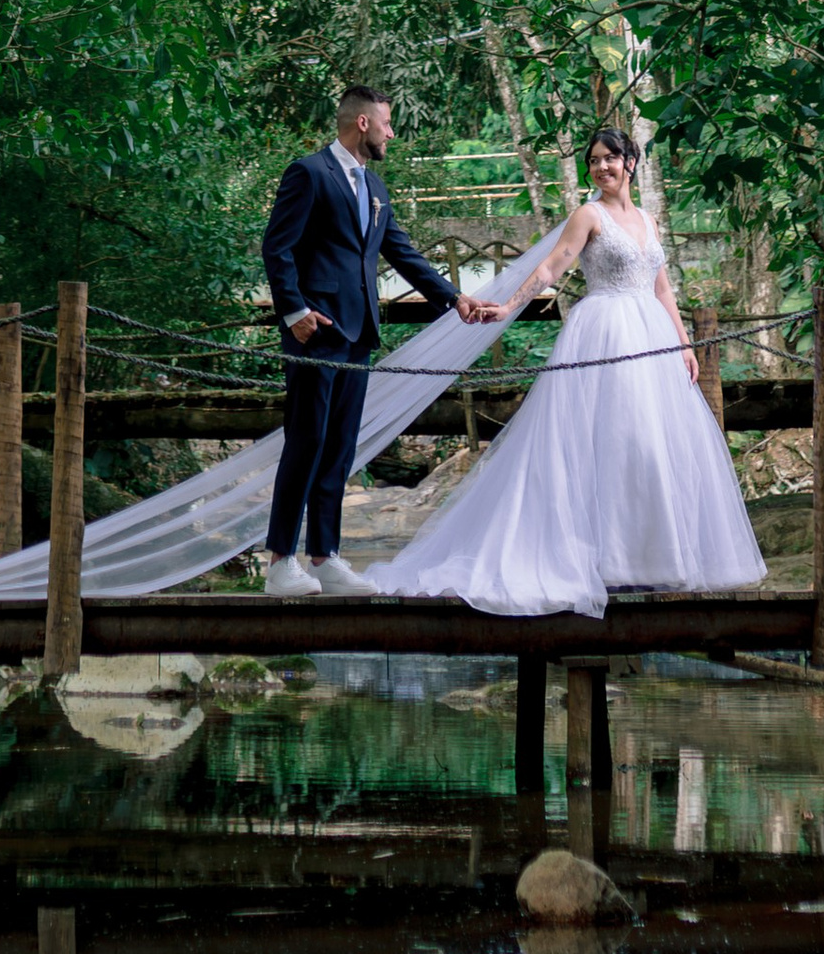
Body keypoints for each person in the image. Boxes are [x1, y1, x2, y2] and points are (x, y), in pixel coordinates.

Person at [370, 119, 765, 615]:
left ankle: (651, 561)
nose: (602, 167)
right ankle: (604, 561)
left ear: (631, 163)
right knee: (613, 440)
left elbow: (663, 288)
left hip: (652, 338)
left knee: (653, 444)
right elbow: (552, 267)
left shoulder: (648, 219)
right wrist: (509, 305)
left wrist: (684, 344)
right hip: (604, 332)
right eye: (595, 160)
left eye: (610, 159)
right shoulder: (589, 215)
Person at [260, 81, 505, 596]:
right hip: (316, 332)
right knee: (306, 442)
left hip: (359, 335)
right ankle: (281, 562)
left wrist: (454, 298)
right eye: (388, 124)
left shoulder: (375, 187)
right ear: (363, 123)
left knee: (340, 448)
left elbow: (402, 252)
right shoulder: (308, 173)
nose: (392, 133)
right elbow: (276, 248)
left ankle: (325, 557)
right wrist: (294, 311)